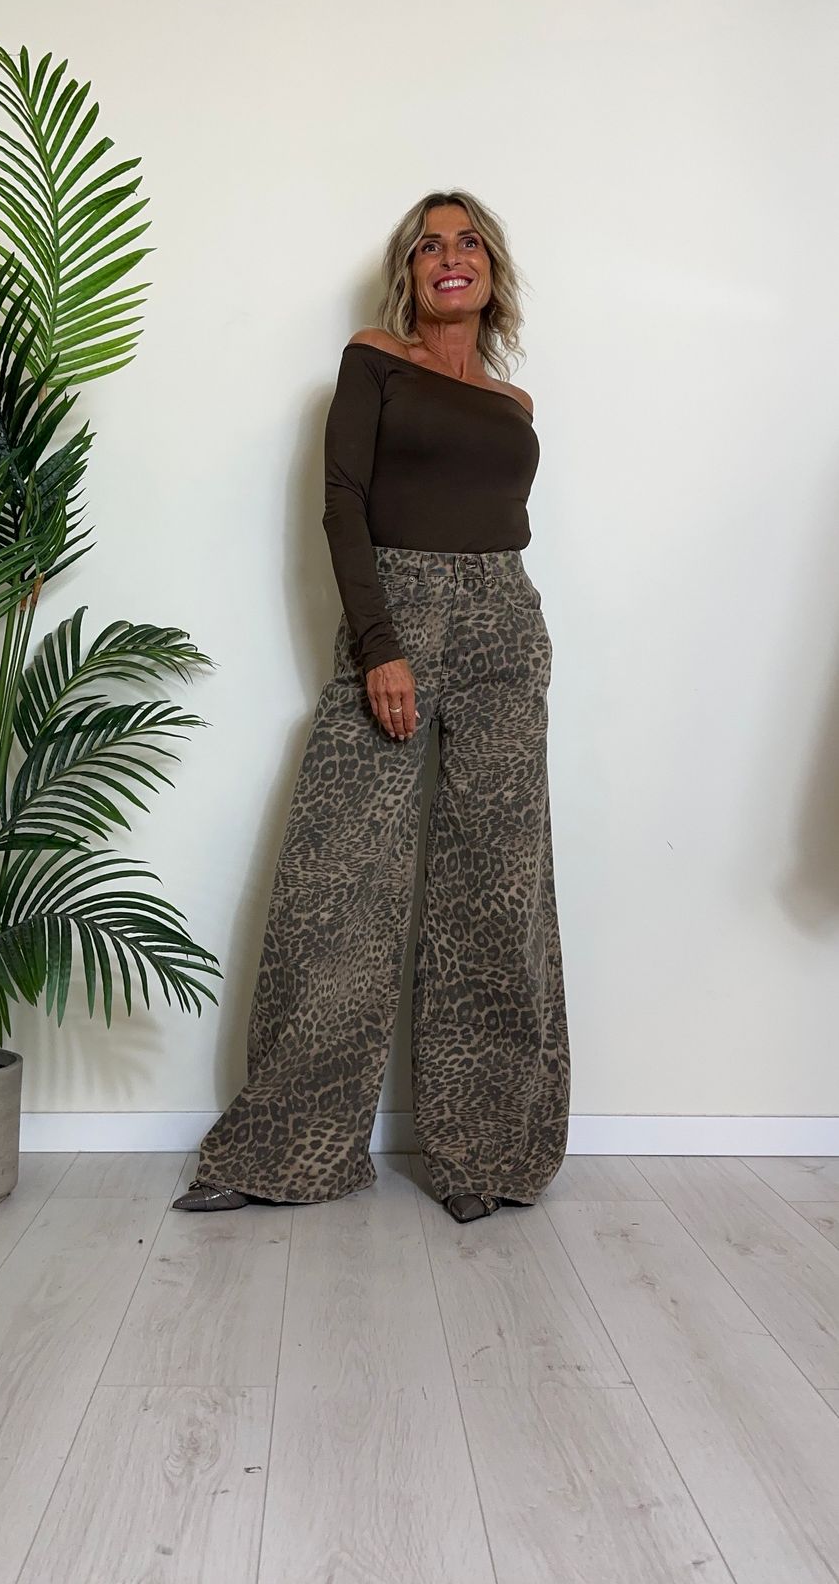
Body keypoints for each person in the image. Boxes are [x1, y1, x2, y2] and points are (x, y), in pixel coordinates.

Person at [174, 189, 570, 1223]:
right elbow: (340, 502)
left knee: (496, 893)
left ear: (491, 270)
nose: (450, 256)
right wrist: (378, 645)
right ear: (409, 272)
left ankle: (485, 1152)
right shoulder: (373, 359)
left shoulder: (514, 402)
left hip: (503, 625)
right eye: (429, 245)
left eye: (468, 241)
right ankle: (286, 1150)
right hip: (395, 612)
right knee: (336, 885)